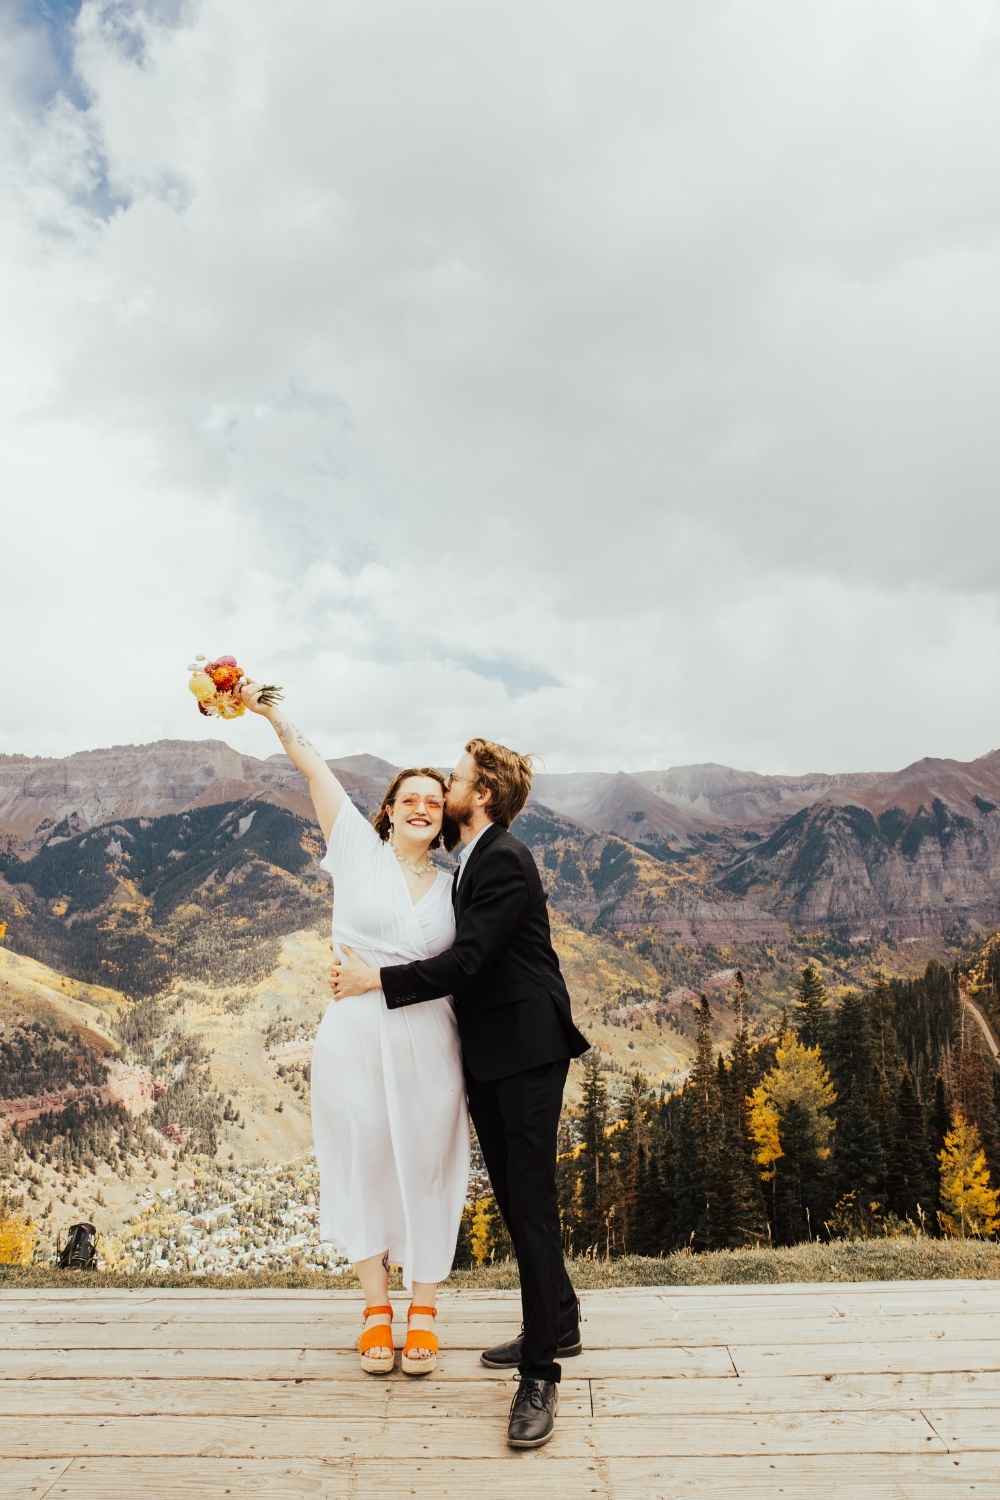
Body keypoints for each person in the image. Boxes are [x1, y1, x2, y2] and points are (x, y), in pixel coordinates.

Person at [331, 736, 591, 1449]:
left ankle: (541, 1375)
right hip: (496, 1052)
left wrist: (374, 982)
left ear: (480, 796)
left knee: (530, 1207)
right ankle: (558, 1322)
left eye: (456, 778)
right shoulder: (473, 858)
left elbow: (470, 960)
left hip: (526, 1050)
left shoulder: (502, 858)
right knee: (515, 1197)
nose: (444, 786)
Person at [238, 680, 469, 1377]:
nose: (422, 808)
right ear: (389, 812)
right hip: (354, 1039)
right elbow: (312, 767)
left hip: (430, 1038)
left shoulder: (460, 885)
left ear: (443, 817)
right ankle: (375, 1308)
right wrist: (274, 713)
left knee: (428, 1164)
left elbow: (474, 962)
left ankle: (423, 1307)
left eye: (434, 801)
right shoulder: (355, 854)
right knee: (364, 1160)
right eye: (410, 800)